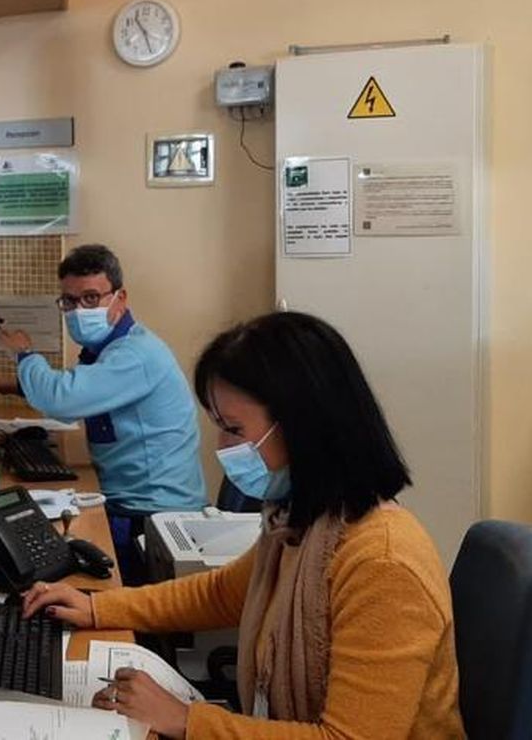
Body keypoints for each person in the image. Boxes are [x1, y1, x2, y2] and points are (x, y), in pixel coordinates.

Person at [23, 312, 462, 739]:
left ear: (304, 430)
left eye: (233, 429)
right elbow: (222, 592)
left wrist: (186, 720)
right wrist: (97, 608)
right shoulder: (300, 523)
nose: (222, 447)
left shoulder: (383, 563)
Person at [0, 244, 205, 585]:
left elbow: (62, 399)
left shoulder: (135, 354)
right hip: (134, 501)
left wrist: (24, 353)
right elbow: (85, 389)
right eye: (70, 301)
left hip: (149, 516)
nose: (79, 311)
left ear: (120, 299)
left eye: (91, 298)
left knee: (56, 570)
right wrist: (10, 387)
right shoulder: (109, 350)